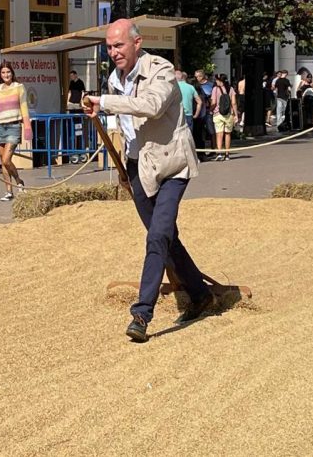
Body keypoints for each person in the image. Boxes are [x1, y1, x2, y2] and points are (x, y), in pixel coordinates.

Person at [83, 19, 214, 343]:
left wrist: (105, 102)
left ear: (137, 43)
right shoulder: (115, 79)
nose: (113, 52)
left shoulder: (161, 70)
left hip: (172, 165)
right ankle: (200, 294)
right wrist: (123, 169)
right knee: (165, 238)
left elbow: (152, 107)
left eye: (119, 45)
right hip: (137, 167)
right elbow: (127, 129)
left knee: (158, 236)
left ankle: (141, 314)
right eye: (109, 46)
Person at [0, 61, 31, 201]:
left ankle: (19, 181)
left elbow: (24, 107)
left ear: (12, 73)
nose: (6, 75)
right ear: (0, 74)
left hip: (13, 126)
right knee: (2, 161)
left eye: (8, 72)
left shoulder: (19, 87)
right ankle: (8, 191)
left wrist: (27, 126)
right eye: (3, 72)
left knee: (7, 159)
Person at [211, 74, 237, 160]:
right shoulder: (231, 89)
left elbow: (214, 102)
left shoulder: (215, 89)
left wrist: (210, 110)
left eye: (217, 80)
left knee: (219, 134)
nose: (216, 81)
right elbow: (233, 103)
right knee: (228, 134)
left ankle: (219, 153)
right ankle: (227, 154)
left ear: (220, 81)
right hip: (228, 114)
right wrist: (236, 114)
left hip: (218, 114)